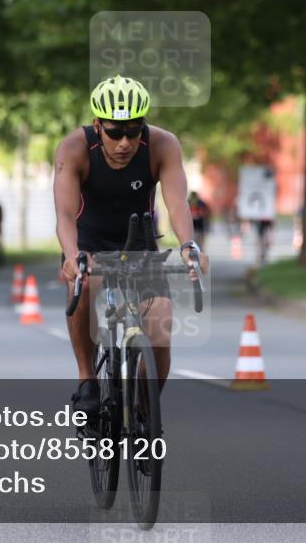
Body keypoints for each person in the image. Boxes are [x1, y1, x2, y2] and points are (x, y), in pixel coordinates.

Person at [53, 75, 209, 416]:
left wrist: (188, 245)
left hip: (139, 245)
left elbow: (177, 202)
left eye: (133, 131)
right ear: (97, 125)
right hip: (88, 243)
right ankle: (87, 380)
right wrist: (71, 254)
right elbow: (64, 213)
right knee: (81, 284)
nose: (124, 142)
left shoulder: (162, 145)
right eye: (114, 132)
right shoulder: (74, 149)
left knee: (160, 328)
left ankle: (142, 413)